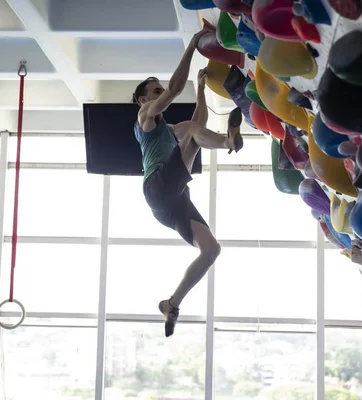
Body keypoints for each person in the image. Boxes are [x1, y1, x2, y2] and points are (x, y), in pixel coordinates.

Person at [133, 30, 244, 337]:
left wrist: (201, 89)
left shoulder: (169, 129)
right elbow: (173, 90)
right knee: (194, 135)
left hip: (171, 202)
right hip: (158, 187)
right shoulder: (144, 117)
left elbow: (198, 123)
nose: (161, 93)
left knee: (211, 250)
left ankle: (171, 303)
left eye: (159, 90)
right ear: (143, 99)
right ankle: (228, 142)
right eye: (155, 91)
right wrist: (193, 45)